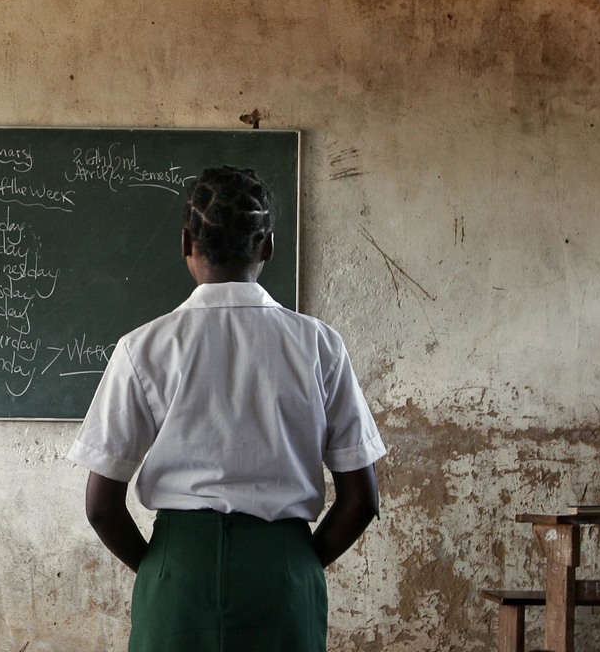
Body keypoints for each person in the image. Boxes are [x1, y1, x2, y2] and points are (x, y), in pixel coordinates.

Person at [66, 166, 386, 652]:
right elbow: (360, 499)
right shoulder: (319, 345)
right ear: (268, 246)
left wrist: (166, 567)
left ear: (186, 242)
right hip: (284, 573)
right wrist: (295, 564)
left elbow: (101, 507)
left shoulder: (144, 347)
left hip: (179, 575)